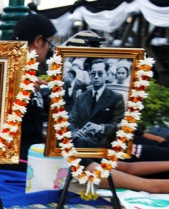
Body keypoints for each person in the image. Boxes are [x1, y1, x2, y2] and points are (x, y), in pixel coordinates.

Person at [11, 13, 57, 169]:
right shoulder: (9, 72)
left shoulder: (30, 74)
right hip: (20, 161)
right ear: (38, 41)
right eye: (49, 43)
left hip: (33, 154)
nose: (49, 48)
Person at [68, 58, 125, 148]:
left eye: (100, 73)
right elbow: (71, 121)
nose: (96, 77)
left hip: (104, 143)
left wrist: (101, 128)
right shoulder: (81, 98)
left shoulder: (116, 98)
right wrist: (75, 132)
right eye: (93, 74)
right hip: (80, 141)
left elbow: (120, 126)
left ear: (106, 75)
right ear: (90, 75)